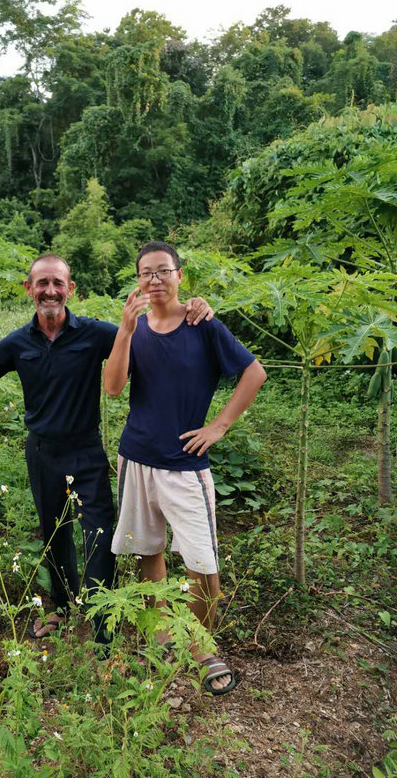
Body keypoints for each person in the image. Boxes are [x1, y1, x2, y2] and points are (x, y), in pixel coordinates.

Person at [0, 253, 213, 646]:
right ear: (29, 289)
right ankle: (62, 607)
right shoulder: (17, 343)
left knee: (99, 536)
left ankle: (102, 624)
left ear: (70, 289)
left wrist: (191, 308)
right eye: (42, 283)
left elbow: (146, 336)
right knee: (54, 534)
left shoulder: (95, 333)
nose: (50, 291)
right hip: (42, 453)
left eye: (58, 283)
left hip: (86, 451)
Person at [103, 241, 266, 692]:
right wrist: (123, 331)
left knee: (202, 562)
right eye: (146, 273)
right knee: (148, 549)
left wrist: (219, 425)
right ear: (138, 280)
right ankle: (160, 634)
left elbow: (254, 372)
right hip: (136, 457)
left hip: (185, 464)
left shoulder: (203, 323)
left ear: (179, 274)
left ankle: (200, 645)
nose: (154, 279)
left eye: (163, 270)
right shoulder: (134, 329)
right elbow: (112, 388)